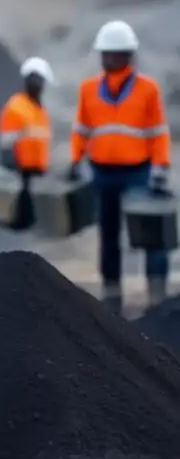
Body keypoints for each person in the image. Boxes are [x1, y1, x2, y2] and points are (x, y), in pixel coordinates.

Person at [70, 19, 171, 311]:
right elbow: (82, 129)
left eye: (113, 53)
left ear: (127, 55)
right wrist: (76, 160)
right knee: (108, 236)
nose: (107, 59)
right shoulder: (89, 90)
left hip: (138, 172)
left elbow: (158, 132)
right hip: (102, 173)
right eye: (105, 53)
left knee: (152, 234)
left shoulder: (147, 90)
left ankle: (157, 298)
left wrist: (161, 168)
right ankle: (112, 297)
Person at [0, 57, 53, 229]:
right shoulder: (17, 107)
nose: (39, 85)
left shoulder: (39, 110)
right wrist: (10, 162)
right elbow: (7, 139)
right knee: (20, 216)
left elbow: (40, 138)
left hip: (36, 171)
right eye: (36, 80)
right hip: (21, 170)